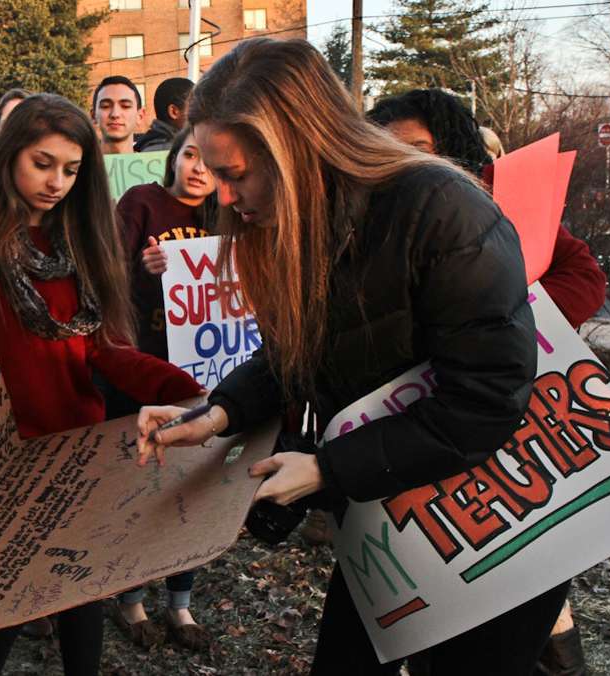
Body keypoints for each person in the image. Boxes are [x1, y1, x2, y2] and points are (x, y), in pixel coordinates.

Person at [135, 38, 566, 675]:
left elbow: (485, 401)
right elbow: (299, 352)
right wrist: (218, 412)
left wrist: (328, 470)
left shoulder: (442, 211)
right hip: (389, 518)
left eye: (235, 174)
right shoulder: (298, 223)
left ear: (297, 149)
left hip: (501, 524)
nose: (222, 199)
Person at [367, 90, 606, 676]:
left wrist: (515, 321)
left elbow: (585, 275)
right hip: (425, 432)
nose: (406, 162)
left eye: (419, 149)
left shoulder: (501, 201)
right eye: (388, 150)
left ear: (457, 150)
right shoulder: (373, 217)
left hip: (517, 428)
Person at [0, 93, 202, 676]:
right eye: (42, 164)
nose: (56, 183)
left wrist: (188, 390)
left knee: (81, 588)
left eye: (71, 170)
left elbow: (106, 347)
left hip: (76, 444)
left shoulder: (82, 237)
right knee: (1, 598)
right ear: (8, 154)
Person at [109, 128, 216, 651]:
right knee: (140, 483)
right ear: (173, 157)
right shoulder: (142, 203)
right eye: (191, 155)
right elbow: (105, 273)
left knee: (192, 490)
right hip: (144, 374)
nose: (199, 169)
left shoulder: (227, 216)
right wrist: (143, 270)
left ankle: (180, 602)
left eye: (211, 161)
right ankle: (129, 600)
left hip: (203, 377)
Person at [134, 78, 193, 152]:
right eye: (195, 107)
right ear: (174, 112)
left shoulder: (148, 141)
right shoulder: (168, 151)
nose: (202, 113)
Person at [91, 76, 144, 155]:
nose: (115, 114)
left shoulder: (159, 166)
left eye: (125, 106)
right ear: (93, 115)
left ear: (140, 116)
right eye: (105, 106)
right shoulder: (80, 166)